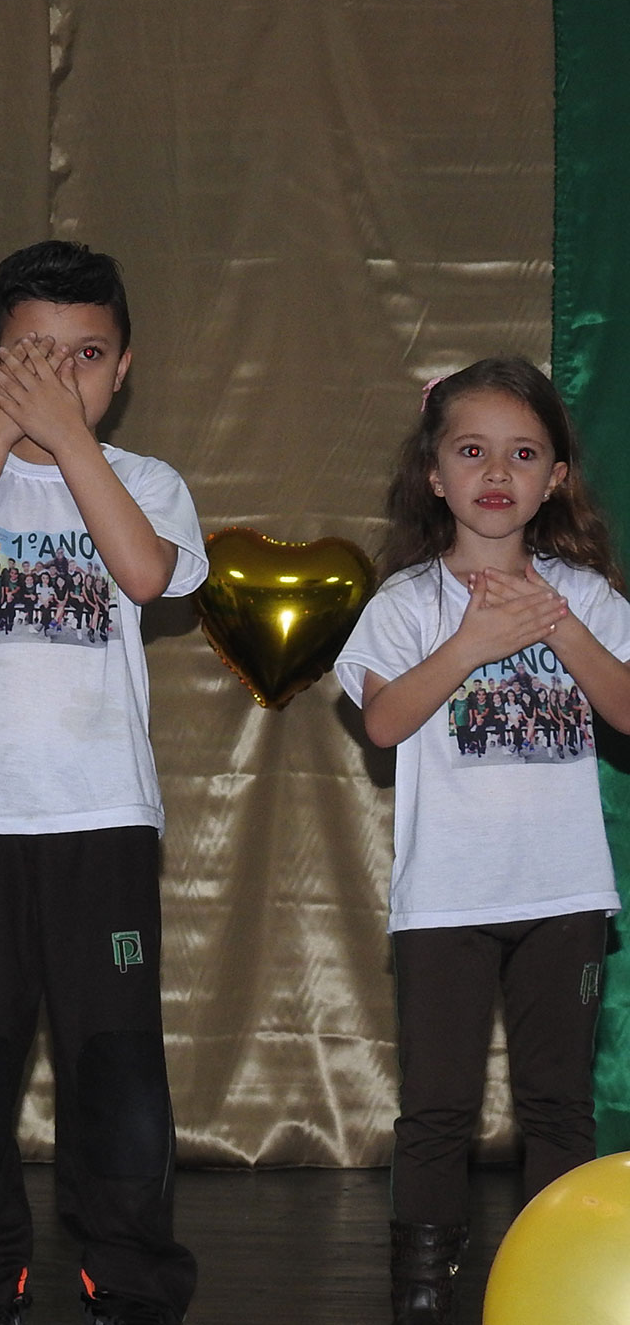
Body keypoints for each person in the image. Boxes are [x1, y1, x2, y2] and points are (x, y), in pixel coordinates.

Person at [0, 241, 203, 1325]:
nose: (61, 378)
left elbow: (146, 574)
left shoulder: (146, 483)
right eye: (33, 357)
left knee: (117, 1066)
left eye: (85, 356)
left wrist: (67, 438)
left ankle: (130, 1280)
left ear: (123, 369)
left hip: (100, 819)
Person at [335, 357, 630, 1325]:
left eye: (522, 454)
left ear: (554, 479)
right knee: (436, 1109)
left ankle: (556, 1287)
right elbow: (383, 723)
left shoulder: (583, 596)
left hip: (563, 897)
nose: (496, 472)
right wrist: (471, 641)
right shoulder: (404, 604)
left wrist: (552, 623)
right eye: (470, 451)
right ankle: (421, 1293)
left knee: (557, 1106)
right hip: (447, 901)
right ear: (433, 473)